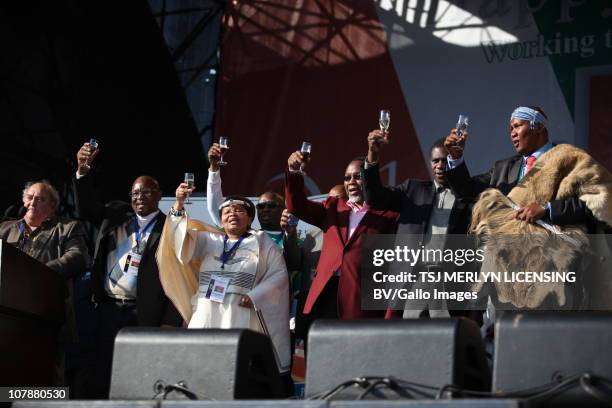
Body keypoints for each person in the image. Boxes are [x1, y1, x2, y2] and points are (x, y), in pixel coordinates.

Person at [74, 142, 183, 398]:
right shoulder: (116, 216)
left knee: (142, 374)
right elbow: (87, 208)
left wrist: (170, 321)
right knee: (104, 373)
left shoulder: (171, 228)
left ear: (159, 195)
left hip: (146, 312)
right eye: (135, 193)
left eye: (146, 193)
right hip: (110, 309)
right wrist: (82, 173)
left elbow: (178, 279)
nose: (139, 198)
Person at [157, 185, 291, 375]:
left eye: (239, 211)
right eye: (227, 211)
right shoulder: (209, 239)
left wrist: (255, 297)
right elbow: (180, 244)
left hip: (239, 309)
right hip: (206, 307)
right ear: (221, 219)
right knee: (196, 362)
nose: (232, 214)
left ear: (250, 218)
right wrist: (179, 204)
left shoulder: (261, 241)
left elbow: (278, 274)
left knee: (234, 366)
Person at [363, 131, 475, 319]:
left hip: (451, 283)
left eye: (445, 160)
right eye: (435, 161)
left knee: (448, 342)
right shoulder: (413, 190)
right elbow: (375, 198)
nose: (440, 166)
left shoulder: (469, 196)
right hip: (415, 280)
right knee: (413, 340)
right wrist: (372, 156)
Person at [285, 153, 398, 324]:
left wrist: (390, 314)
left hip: (360, 301)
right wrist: (294, 172)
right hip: (324, 296)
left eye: (357, 176)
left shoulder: (389, 215)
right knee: (321, 349)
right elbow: (296, 206)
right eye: (347, 177)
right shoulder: (332, 208)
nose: (351, 181)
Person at [0, 180, 90, 386]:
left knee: (45, 376)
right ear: (23, 200)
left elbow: (77, 256)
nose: (33, 202)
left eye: (40, 199)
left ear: (52, 206)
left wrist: (40, 272)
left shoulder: (66, 228)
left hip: (47, 315)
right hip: (7, 316)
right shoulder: (5, 229)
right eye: (30, 197)